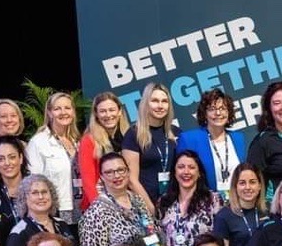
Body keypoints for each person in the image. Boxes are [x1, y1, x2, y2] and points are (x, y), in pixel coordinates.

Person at [78, 153, 166, 246]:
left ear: (128, 171)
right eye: (109, 172)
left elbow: (151, 235)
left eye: (120, 170)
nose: (116, 176)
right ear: (101, 176)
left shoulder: (138, 200)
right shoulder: (96, 212)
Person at [158, 149, 224, 246]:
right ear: (174, 172)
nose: (186, 172)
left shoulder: (213, 200)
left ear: (199, 173)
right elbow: (158, 241)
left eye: (191, 167)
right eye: (181, 167)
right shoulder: (164, 202)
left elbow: (223, 240)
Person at [178, 88, 247, 203]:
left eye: (222, 108)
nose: (218, 113)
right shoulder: (189, 139)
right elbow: (180, 176)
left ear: (229, 112)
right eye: (212, 109)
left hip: (236, 203)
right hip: (202, 204)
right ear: (204, 114)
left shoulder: (238, 138)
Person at [6, 174, 76, 246]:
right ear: (24, 198)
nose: (41, 197)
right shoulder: (19, 234)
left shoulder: (62, 225)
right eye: (35, 193)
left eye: (44, 192)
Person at [25, 92, 81, 223]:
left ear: (73, 112)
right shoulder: (38, 142)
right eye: (57, 109)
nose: (63, 112)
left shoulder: (76, 141)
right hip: (55, 209)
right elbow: (33, 182)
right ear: (49, 113)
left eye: (67, 108)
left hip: (80, 208)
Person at [122, 82, 177, 213]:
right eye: (155, 101)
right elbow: (131, 180)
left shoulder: (176, 133)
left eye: (164, 101)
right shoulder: (133, 134)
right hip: (145, 207)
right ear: (146, 104)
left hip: (173, 205)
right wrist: (151, 209)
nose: (160, 106)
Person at [212, 162, 267, 246]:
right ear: (235, 187)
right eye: (242, 183)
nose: (248, 187)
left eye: (252, 182)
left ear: (260, 186)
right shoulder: (224, 216)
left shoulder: (269, 212)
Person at [78, 92, 128, 212]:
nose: (108, 115)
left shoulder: (129, 137)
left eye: (112, 110)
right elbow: (88, 183)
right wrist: (102, 210)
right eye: (103, 111)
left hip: (126, 202)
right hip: (101, 205)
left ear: (119, 111)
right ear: (96, 114)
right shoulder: (88, 141)